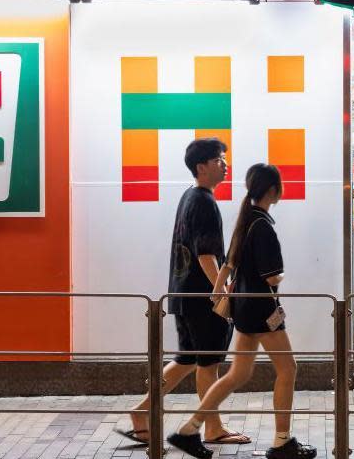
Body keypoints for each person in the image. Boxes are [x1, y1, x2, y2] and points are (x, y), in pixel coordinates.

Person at [168, 164, 317, 459]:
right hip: (262, 310)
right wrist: (281, 277)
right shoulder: (262, 226)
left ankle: (189, 429)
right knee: (288, 369)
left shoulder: (245, 220)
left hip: (244, 310)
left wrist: (219, 292)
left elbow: (228, 265)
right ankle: (282, 442)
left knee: (238, 373)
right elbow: (272, 276)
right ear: (273, 190)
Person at [118, 139, 250, 448]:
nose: (225, 164)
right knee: (208, 364)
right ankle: (213, 428)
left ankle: (140, 412)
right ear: (202, 166)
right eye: (219, 160)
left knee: (187, 360)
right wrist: (222, 293)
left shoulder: (189, 197)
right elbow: (206, 255)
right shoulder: (204, 201)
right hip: (201, 299)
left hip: (182, 295)